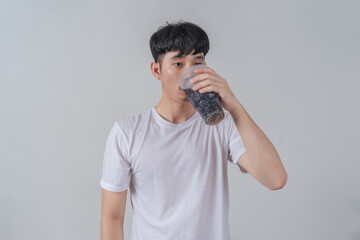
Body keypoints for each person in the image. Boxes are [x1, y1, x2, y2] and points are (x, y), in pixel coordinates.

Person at [100, 20, 287, 240]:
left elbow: (275, 179)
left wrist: (234, 106)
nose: (189, 73)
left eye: (197, 63)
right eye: (178, 64)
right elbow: (112, 217)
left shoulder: (222, 125)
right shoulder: (127, 133)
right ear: (156, 70)